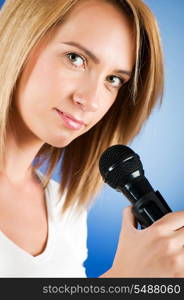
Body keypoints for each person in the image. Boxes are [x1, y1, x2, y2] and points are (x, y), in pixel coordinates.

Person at [0, 0, 183, 278]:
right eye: (75, 58)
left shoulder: (66, 209)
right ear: (22, 39)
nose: (91, 101)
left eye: (113, 79)